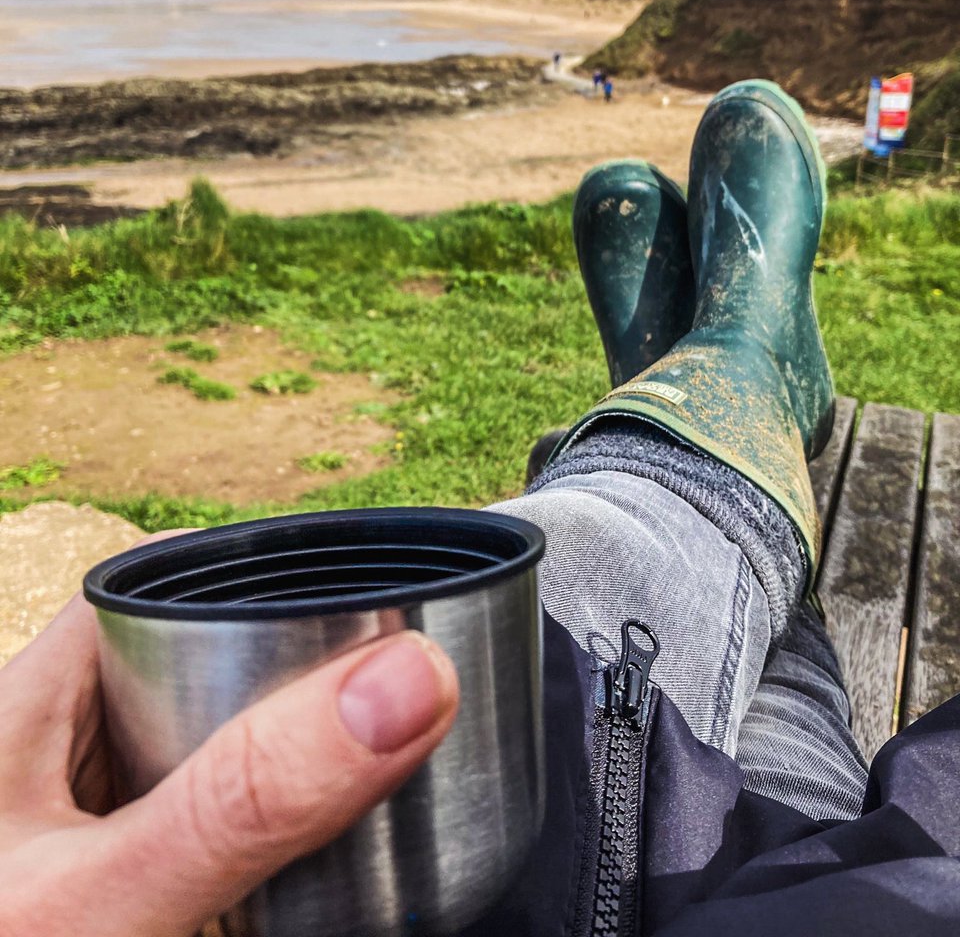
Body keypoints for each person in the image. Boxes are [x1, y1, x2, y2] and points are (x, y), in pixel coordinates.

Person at [2, 80, 960, 936]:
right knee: (712, 621)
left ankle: (706, 392)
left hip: (575, 846)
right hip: (863, 874)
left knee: (599, 564)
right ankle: (737, 372)